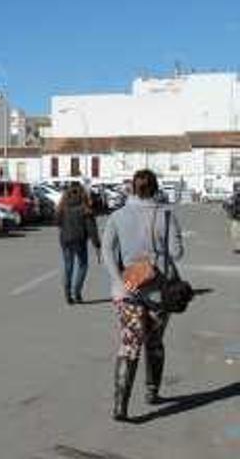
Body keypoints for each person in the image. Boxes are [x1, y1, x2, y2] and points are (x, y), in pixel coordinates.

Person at [101, 169, 184, 422]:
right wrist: (154, 257)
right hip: (159, 291)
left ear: (132, 189)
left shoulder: (117, 216)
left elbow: (106, 251)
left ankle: (120, 405)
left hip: (127, 291)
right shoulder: (167, 215)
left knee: (129, 344)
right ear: (157, 188)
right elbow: (177, 252)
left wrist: (120, 280)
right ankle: (151, 391)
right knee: (155, 341)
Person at [55, 183, 101, 304]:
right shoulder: (85, 208)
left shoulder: (62, 207)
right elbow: (91, 228)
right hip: (79, 240)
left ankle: (68, 293)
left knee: (68, 266)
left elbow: (58, 222)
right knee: (83, 265)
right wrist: (96, 243)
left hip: (65, 240)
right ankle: (77, 292)